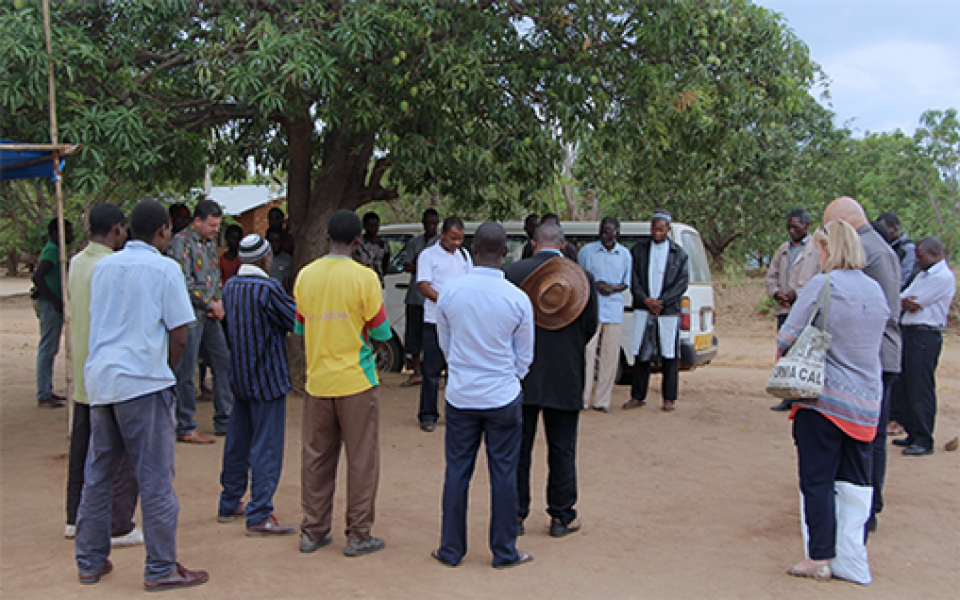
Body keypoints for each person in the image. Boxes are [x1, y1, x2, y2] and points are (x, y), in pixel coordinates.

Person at [75, 198, 208, 591]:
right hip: (143, 384)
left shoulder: (104, 267)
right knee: (154, 479)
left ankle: (89, 560)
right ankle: (161, 566)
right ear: (164, 230)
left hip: (102, 382)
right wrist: (163, 370)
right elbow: (180, 332)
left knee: (98, 474)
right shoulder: (165, 268)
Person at [778, 220, 887, 584]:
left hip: (824, 400)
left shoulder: (824, 285)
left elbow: (788, 335)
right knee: (855, 483)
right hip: (867, 401)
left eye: (819, 251)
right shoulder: (875, 290)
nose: (817, 258)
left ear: (829, 250)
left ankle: (820, 556)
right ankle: (852, 557)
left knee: (817, 479)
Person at [432, 222, 536, 569]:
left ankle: (451, 549)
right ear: (505, 253)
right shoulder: (517, 298)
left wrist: (463, 369)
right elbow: (525, 356)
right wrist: (508, 380)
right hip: (502, 396)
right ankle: (504, 551)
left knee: (457, 473)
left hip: (462, 395)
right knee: (504, 474)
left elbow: (445, 344)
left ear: (473, 250)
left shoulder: (449, 292)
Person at [295, 209, 393, 558]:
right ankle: (358, 534)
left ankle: (314, 530)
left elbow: (301, 327)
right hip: (356, 380)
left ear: (326, 239)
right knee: (362, 459)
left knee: (316, 458)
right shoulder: (364, 278)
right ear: (357, 241)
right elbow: (381, 331)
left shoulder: (305, 276)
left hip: (318, 381)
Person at [505, 222, 598, 538]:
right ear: (563, 244)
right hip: (565, 374)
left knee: (518, 448)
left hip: (522, 375)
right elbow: (589, 328)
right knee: (563, 448)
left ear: (533, 244)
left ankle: (515, 516)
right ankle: (561, 516)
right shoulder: (582, 279)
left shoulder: (514, 274)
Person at [64, 204, 142, 548]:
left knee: (81, 445)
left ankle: (72, 516)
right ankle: (119, 523)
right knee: (118, 451)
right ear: (117, 230)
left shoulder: (76, 263)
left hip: (82, 366)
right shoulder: (112, 266)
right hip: (107, 368)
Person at [823, 197, 901, 533]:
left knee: (867, 437)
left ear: (843, 223)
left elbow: (877, 315)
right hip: (870, 357)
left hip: (871, 358)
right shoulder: (875, 246)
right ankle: (863, 503)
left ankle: (864, 510)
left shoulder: (870, 251)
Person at [218, 234, 298, 535]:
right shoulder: (268, 288)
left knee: (238, 442)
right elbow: (294, 321)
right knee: (267, 445)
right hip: (268, 379)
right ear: (265, 259)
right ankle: (260, 512)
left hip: (239, 377)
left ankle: (230, 501)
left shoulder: (232, 287)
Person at [168, 199, 234, 443]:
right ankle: (185, 425)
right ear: (197, 221)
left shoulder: (209, 244)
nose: (216, 230)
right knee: (186, 372)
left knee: (223, 363)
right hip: (190, 318)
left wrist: (217, 304)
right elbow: (182, 283)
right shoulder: (180, 243)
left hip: (211, 316)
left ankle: (224, 420)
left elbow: (214, 278)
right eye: (212, 225)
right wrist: (209, 304)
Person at [891, 237, 955, 456]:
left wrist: (906, 302)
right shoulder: (924, 274)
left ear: (935, 254)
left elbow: (914, 302)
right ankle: (913, 431)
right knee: (907, 384)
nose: (917, 260)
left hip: (925, 335)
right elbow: (904, 298)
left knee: (920, 387)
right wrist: (905, 302)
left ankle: (924, 437)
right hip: (911, 332)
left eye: (921, 255)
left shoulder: (942, 277)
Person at [624, 210, 689, 412]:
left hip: (667, 311)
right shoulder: (639, 250)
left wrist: (661, 302)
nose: (657, 232)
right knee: (641, 353)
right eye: (654, 228)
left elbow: (681, 283)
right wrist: (646, 300)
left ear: (668, 230)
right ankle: (637, 396)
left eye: (661, 229)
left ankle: (669, 398)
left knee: (669, 355)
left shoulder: (679, 254)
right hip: (644, 309)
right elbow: (633, 277)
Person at [416, 215, 473, 431]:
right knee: (431, 371)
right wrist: (448, 301)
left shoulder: (465, 256)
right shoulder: (428, 255)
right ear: (442, 235)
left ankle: (455, 413)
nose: (456, 244)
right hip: (435, 320)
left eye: (460, 239)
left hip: (459, 322)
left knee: (457, 370)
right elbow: (424, 286)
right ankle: (428, 414)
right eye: (453, 238)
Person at [765, 208, 821, 411]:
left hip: (805, 311)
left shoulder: (816, 250)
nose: (791, 230)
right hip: (784, 310)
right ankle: (787, 396)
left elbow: (820, 279)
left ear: (806, 225)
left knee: (804, 353)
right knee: (785, 352)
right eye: (789, 226)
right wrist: (777, 293)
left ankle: (803, 396)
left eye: (795, 227)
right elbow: (771, 276)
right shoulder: (783, 249)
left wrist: (798, 294)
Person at [578, 217, 632, 412]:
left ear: (617, 232)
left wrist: (613, 288)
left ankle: (602, 401)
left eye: (609, 231)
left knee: (610, 355)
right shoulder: (587, 251)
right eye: (602, 230)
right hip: (592, 308)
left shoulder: (624, 254)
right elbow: (580, 278)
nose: (605, 235)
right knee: (587, 354)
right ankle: (582, 399)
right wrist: (596, 285)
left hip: (614, 309)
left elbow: (627, 282)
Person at [32, 218, 74, 408]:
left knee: (50, 347)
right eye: (68, 232)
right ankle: (43, 393)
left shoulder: (57, 251)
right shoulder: (52, 251)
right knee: (48, 348)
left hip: (51, 303)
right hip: (49, 305)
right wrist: (54, 300)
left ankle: (46, 390)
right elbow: (38, 276)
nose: (72, 236)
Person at [399, 208, 439, 388]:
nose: (430, 226)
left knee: (434, 337)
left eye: (434, 223)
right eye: (427, 223)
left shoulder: (441, 244)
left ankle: (435, 374)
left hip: (434, 297)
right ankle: (416, 372)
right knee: (414, 336)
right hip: (415, 297)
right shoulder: (415, 242)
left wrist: (420, 265)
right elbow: (408, 265)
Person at [877, 211, 916, 289]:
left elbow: (905, 276)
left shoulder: (907, 248)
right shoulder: (885, 245)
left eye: (885, 229)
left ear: (895, 228)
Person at [353, 211, 391, 285]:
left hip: (378, 283)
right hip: (361, 283)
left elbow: (385, 265)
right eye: (370, 225)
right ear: (364, 226)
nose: (373, 228)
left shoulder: (384, 245)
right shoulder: (357, 244)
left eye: (375, 225)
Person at [266, 228, 294, 294]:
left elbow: (286, 283)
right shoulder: (262, 258)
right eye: (272, 241)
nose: (275, 244)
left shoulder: (287, 259)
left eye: (278, 241)